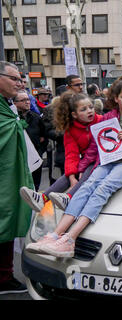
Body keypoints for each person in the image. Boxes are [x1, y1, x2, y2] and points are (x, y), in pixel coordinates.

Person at [25, 77, 122, 258]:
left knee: (101, 190)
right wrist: (80, 168)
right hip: (106, 161)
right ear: (116, 99)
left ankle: (70, 239)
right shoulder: (110, 117)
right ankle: (55, 235)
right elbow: (95, 147)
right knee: (86, 187)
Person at [20, 91, 103, 212]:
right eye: (84, 109)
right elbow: (71, 155)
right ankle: (42, 198)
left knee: (86, 171)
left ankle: (68, 197)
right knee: (69, 175)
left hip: (101, 158)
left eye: (91, 107)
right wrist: (71, 177)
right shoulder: (70, 131)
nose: (90, 111)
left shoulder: (102, 120)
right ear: (74, 114)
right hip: (86, 159)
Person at [0, 61, 33, 294]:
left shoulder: (7, 106)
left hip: (9, 177)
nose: (20, 84)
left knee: (8, 222)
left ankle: (5, 276)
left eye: (20, 79)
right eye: (14, 79)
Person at [14, 90, 47, 191]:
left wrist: (40, 152)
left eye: (28, 99)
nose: (27, 102)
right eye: (23, 100)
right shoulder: (13, 119)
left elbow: (44, 136)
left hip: (36, 158)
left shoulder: (36, 118)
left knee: (35, 188)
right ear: (15, 103)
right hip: (20, 160)